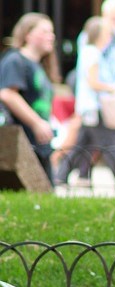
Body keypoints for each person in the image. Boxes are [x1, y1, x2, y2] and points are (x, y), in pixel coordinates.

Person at [55, 17, 115, 187]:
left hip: (90, 107)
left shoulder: (90, 51)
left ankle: (61, 175)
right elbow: (92, 82)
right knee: (109, 142)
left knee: (84, 143)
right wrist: (112, 88)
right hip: (94, 106)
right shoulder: (93, 53)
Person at [0, 12, 59, 182]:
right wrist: (36, 123)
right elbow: (7, 93)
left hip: (39, 143)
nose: (51, 36)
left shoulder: (39, 66)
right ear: (28, 34)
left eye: (52, 32)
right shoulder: (15, 60)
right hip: (23, 143)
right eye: (45, 31)